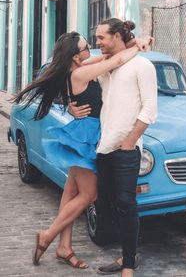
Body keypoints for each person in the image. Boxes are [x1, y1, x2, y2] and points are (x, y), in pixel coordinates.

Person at [13, 30, 146, 269]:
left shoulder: (81, 67)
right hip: (87, 136)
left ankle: (65, 247)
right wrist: (140, 48)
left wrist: (134, 41)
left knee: (71, 190)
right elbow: (114, 61)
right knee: (88, 195)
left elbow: (109, 57)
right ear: (76, 56)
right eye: (86, 46)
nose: (90, 49)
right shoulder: (81, 72)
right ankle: (48, 235)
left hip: (85, 132)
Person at [69, 18, 158, 277]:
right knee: (108, 203)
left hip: (127, 149)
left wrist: (130, 141)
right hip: (104, 147)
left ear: (116, 36)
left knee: (126, 202)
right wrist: (70, 106)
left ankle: (128, 265)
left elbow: (150, 110)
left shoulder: (143, 66)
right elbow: (82, 69)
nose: (97, 44)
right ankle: (125, 254)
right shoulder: (106, 68)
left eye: (101, 38)